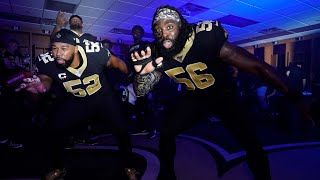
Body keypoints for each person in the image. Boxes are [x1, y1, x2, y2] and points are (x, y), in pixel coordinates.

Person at [130, 5, 313, 180]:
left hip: (222, 95)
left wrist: (293, 95)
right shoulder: (155, 52)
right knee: (167, 131)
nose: (164, 34)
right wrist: (142, 74)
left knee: (250, 140)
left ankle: (263, 177)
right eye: (158, 30)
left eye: (169, 27)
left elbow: (257, 67)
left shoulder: (204, 38)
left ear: (182, 26)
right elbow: (141, 89)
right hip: (193, 97)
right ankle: (167, 174)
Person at [16, 29, 138, 179]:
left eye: (63, 48)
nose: (58, 53)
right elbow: (46, 78)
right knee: (54, 128)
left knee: (121, 129)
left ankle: (129, 166)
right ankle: (58, 167)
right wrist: (41, 85)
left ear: (76, 48)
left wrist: (130, 77)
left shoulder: (94, 53)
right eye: (54, 48)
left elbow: (117, 63)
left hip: (104, 98)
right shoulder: (47, 61)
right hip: (78, 99)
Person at [128, 25, 157, 139]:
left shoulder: (146, 44)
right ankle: (142, 127)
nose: (136, 33)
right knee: (139, 105)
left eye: (138, 31)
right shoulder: (131, 47)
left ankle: (152, 129)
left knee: (148, 105)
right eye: (134, 31)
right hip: (136, 80)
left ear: (142, 33)